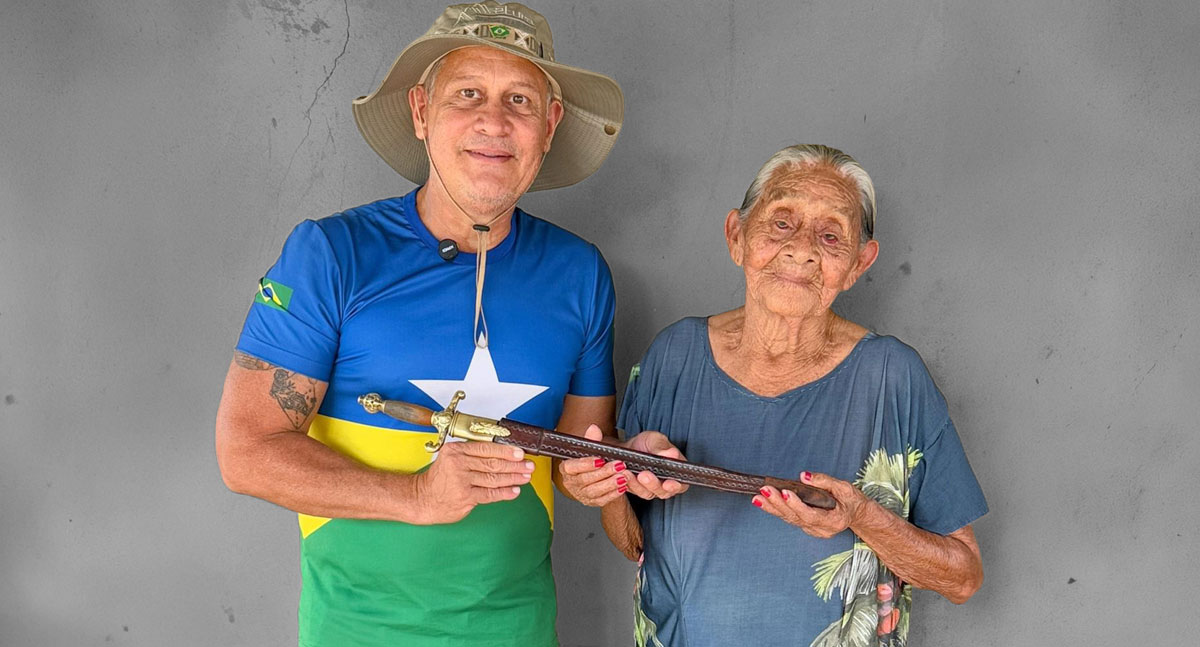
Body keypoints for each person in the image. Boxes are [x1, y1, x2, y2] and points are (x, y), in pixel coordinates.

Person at [214, 3, 662, 645]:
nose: (494, 121)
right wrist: (417, 496)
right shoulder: (331, 254)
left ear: (550, 125)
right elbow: (245, 452)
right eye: (468, 94)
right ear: (421, 112)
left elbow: (574, 455)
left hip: (521, 630)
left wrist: (615, 465)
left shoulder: (580, 274)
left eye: (520, 100)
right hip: (355, 632)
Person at [590, 145, 988, 646]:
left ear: (858, 263)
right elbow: (635, 543)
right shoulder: (675, 355)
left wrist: (861, 516)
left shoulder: (892, 377)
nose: (802, 249)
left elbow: (963, 577)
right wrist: (607, 489)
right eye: (781, 222)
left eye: (830, 235)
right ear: (737, 235)